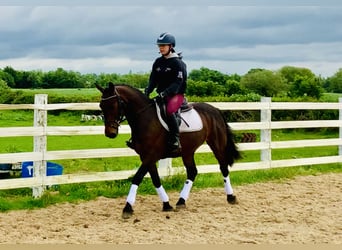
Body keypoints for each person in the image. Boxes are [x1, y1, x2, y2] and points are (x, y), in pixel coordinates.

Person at [145, 32, 187, 154]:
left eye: (164, 45)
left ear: (171, 46)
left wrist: (165, 94)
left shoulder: (177, 63)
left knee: (169, 110)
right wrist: (147, 91)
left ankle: (175, 139)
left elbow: (177, 83)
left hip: (176, 95)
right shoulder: (158, 62)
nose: (161, 48)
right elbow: (153, 80)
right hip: (161, 95)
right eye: (159, 45)